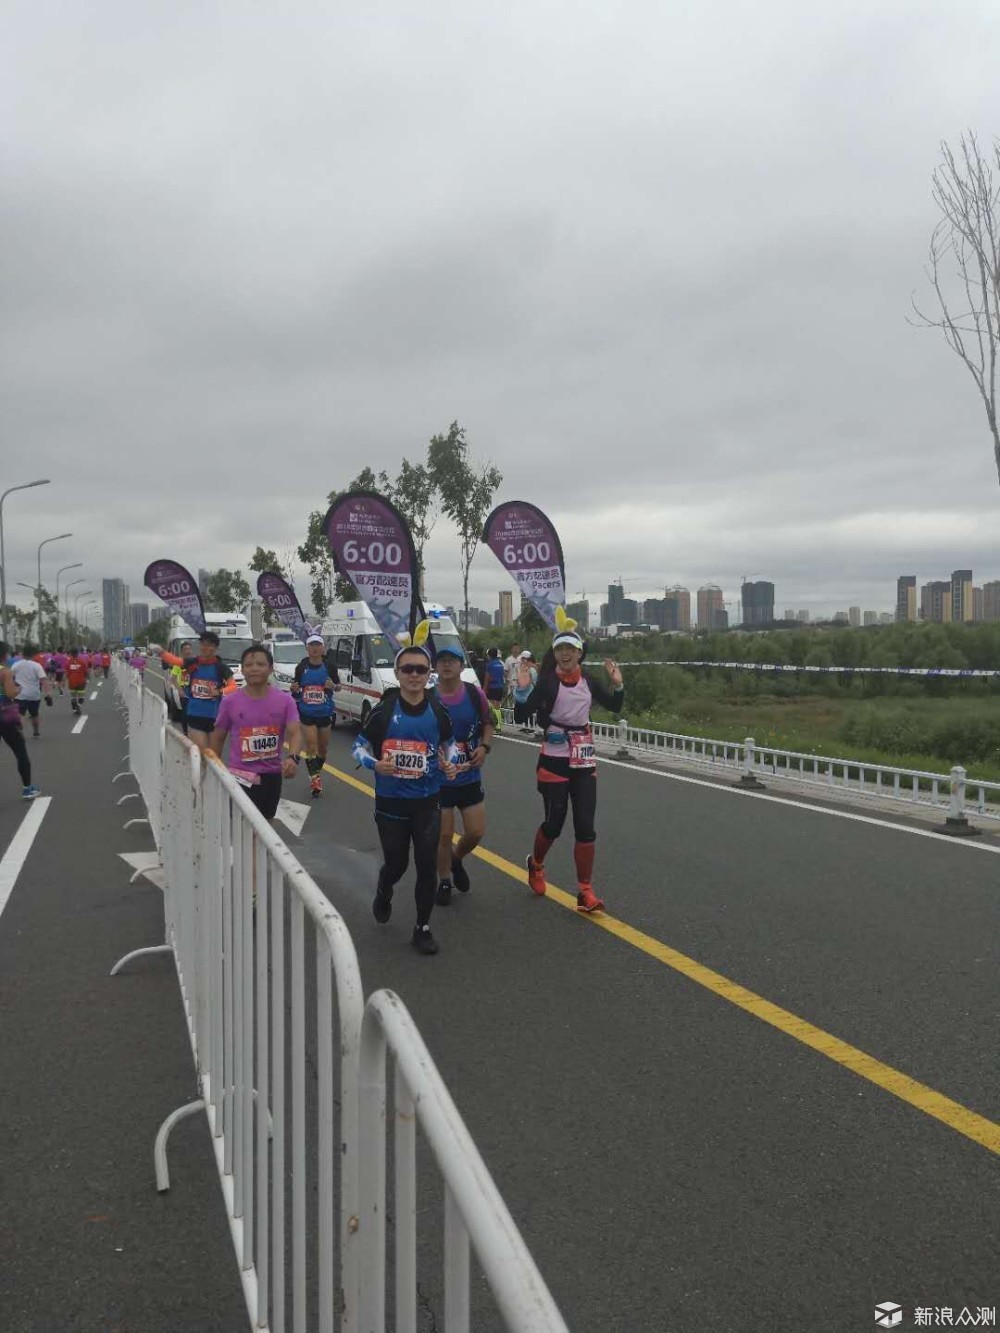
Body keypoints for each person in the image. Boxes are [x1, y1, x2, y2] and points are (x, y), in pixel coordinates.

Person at [352, 631, 458, 955]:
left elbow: (450, 744)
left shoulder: (438, 712)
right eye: (408, 669)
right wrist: (373, 764)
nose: (414, 675)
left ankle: (422, 928)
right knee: (397, 864)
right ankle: (385, 890)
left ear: (429, 675)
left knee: (426, 864)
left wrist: (449, 764)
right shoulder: (384, 712)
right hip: (392, 802)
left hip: (427, 801)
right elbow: (358, 747)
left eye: (420, 670)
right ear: (398, 674)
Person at [522, 618, 624, 913]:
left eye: (571, 649)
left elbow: (615, 706)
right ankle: (536, 864)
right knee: (554, 824)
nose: (565, 654)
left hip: (583, 759)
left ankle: (585, 890)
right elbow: (522, 713)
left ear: (580, 653)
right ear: (555, 654)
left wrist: (618, 686)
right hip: (553, 759)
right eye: (560, 649)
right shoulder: (547, 682)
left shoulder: (589, 680)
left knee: (586, 825)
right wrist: (523, 690)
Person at [208, 643, 301, 821]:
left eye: (260, 664)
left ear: (270, 668)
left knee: (266, 829)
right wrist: (215, 769)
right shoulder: (230, 702)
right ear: (242, 670)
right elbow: (218, 738)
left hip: (271, 776)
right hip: (240, 777)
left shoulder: (285, 701)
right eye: (249, 665)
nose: (254, 669)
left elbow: (295, 732)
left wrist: (293, 757)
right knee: (241, 829)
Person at [432, 643, 493, 905]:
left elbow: (488, 724)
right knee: (443, 835)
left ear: (461, 665)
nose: (447, 664)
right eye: (442, 660)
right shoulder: (428, 698)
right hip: (439, 778)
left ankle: (456, 860)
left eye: (452, 660)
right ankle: (444, 880)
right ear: (435, 667)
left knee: (475, 832)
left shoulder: (473, 693)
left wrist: (484, 747)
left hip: (469, 775)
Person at [160, 631, 232, 750]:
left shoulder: (220, 667)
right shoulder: (193, 662)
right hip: (195, 714)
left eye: (210, 645)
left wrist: (219, 692)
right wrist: (161, 653)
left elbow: (233, 686)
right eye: (203, 644)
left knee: (214, 758)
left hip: (215, 717)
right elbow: (176, 662)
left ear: (215, 648)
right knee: (202, 753)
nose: (206, 648)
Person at [291, 633, 338, 797]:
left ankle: (315, 770)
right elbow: (295, 689)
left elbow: (338, 687)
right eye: (312, 645)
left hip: (325, 712)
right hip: (306, 712)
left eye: (318, 645)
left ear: (323, 647)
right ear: (307, 648)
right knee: (311, 745)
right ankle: (315, 779)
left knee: (323, 749)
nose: (315, 648)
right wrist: (294, 690)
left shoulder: (330, 666)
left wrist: (333, 686)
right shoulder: (301, 667)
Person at [0, 644, 40, 799]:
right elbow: (11, 693)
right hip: (6, 718)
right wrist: (19, 689)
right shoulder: (5, 671)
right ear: (4, 655)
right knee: (20, 752)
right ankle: (28, 788)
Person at [11, 644, 52, 739]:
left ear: (22, 654)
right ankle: (36, 732)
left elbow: (10, 677)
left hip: (20, 694)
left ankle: (20, 731)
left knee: (20, 714)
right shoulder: (37, 666)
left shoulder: (16, 665)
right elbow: (44, 680)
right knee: (34, 714)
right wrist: (48, 693)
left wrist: (15, 685)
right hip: (34, 694)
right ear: (33, 655)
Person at [512, 649, 538, 732]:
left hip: (531, 692)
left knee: (530, 710)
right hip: (525, 693)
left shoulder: (532, 669)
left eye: (524, 659)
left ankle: (531, 727)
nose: (522, 660)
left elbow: (531, 681)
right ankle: (526, 726)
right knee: (525, 710)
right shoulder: (526, 668)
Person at [65, 647, 89, 716]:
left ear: (71, 654)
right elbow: (86, 672)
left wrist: (64, 680)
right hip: (81, 682)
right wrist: (87, 679)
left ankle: (75, 710)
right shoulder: (82, 662)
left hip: (72, 682)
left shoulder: (68, 662)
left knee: (73, 697)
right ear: (77, 653)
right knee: (81, 696)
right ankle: (78, 705)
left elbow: (66, 673)